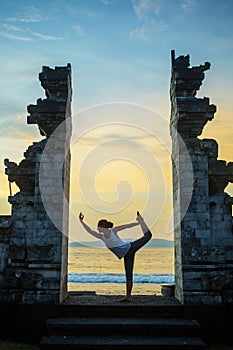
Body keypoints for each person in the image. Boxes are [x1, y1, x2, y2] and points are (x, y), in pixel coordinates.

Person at [79, 211, 152, 302]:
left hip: (130, 247)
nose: (97, 228)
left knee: (148, 235)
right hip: (127, 255)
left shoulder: (113, 231)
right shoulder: (102, 237)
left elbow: (126, 226)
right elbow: (90, 231)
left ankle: (142, 220)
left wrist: (138, 223)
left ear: (103, 227)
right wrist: (81, 221)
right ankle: (128, 296)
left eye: (99, 226)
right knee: (128, 275)